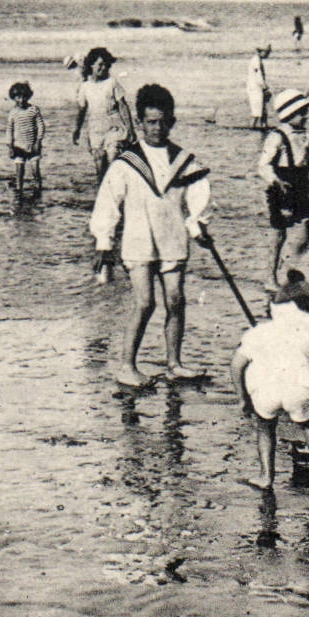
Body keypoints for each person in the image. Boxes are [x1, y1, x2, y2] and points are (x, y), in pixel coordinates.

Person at [89, 83, 212, 386]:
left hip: (172, 240)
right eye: (150, 122)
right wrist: (104, 242)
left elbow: (199, 198)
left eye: (163, 121)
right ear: (140, 123)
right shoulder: (126, 162)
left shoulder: (183, 160)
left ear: (172, 121)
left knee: (176, 300)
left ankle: (174, 363)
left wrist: (198, 224)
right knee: (145, 303)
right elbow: (107, 204)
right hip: (138, 242)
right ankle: (126, 366)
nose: (157, 128)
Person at [231, 276, 309, 490]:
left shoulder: (258, 333)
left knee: (265, 428)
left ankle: (266, 477)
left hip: (265, 391)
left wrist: (242, 398)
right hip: (298, 390)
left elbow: (236, 366)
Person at [258, 89, 309, 290]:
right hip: (282, 186)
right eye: (302, 112)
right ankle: (270, 277)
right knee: (278, 232)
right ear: (289, 115)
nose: (306, 116)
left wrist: (308, 145)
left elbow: (301, 158)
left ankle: (288, 262)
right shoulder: (276, 136)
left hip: (300, 184)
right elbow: (263, 165)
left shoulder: (300, 134)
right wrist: (275, 182)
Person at [72, 46, 133, 182]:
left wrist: (130, 129)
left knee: (113, 163)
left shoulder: (112, 83)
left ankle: (118, 198)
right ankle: (103, 198)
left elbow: (123, 106)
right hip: (96, 131)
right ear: (91, 65)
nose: (103, 68)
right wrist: (77, 130)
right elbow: (81, 110)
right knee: (100, 168)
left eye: (106, 65)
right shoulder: (85, 87)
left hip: (114, 129)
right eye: (100, 64)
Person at [6, 81, 46, 198]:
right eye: (18, 97)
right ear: (13, 98)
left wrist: (38, 141)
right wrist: (10, 146)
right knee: (19, 170)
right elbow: (9, 130)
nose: (21, 100)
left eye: (24, 97)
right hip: (18, 146)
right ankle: (19, 190)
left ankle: (38, 191)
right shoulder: (13, 112)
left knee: (35, 170)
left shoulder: (34, 109)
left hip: (33, 145)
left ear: (28, 96)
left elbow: (41, 126)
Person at [246, 42, 273, 128]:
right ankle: (253, 128)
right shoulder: (256, 61)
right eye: (267, 52)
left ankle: (264, 126)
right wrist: (265, 87)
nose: (268, 55)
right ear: (260, 51)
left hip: (258, 89)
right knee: (256, 113)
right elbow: (258, 76)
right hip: (255, 89)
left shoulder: (257, 60)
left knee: (263, 110)